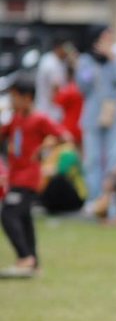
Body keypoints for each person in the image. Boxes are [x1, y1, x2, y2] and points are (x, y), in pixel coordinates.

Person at [0, 74, 69, 277]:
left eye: (14, 97)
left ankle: (25, 258)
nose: (12, 101)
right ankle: (34, 262)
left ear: (27, 97)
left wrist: (46, 147)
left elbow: (65, 137)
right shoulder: (16, 119)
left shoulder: (40, 119)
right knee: (24, 217)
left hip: (29, 178)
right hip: (15, 176)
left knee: (9, 214)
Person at [76, 26, 116, 205]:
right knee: (92, 159)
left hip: (114, 112)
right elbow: (83, 85)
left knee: (114, 157)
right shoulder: (85, 60)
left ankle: (110, 201)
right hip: (92, 113)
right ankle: (93, 199)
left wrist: (111, 58)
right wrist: (96, 64)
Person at [35, 34, 69, 120]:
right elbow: (56, 92)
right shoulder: (52, 64)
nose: (68, 51)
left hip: (45, 109)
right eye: (67, 48)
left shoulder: (50, 59)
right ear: (59, 47)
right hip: (50, 113)